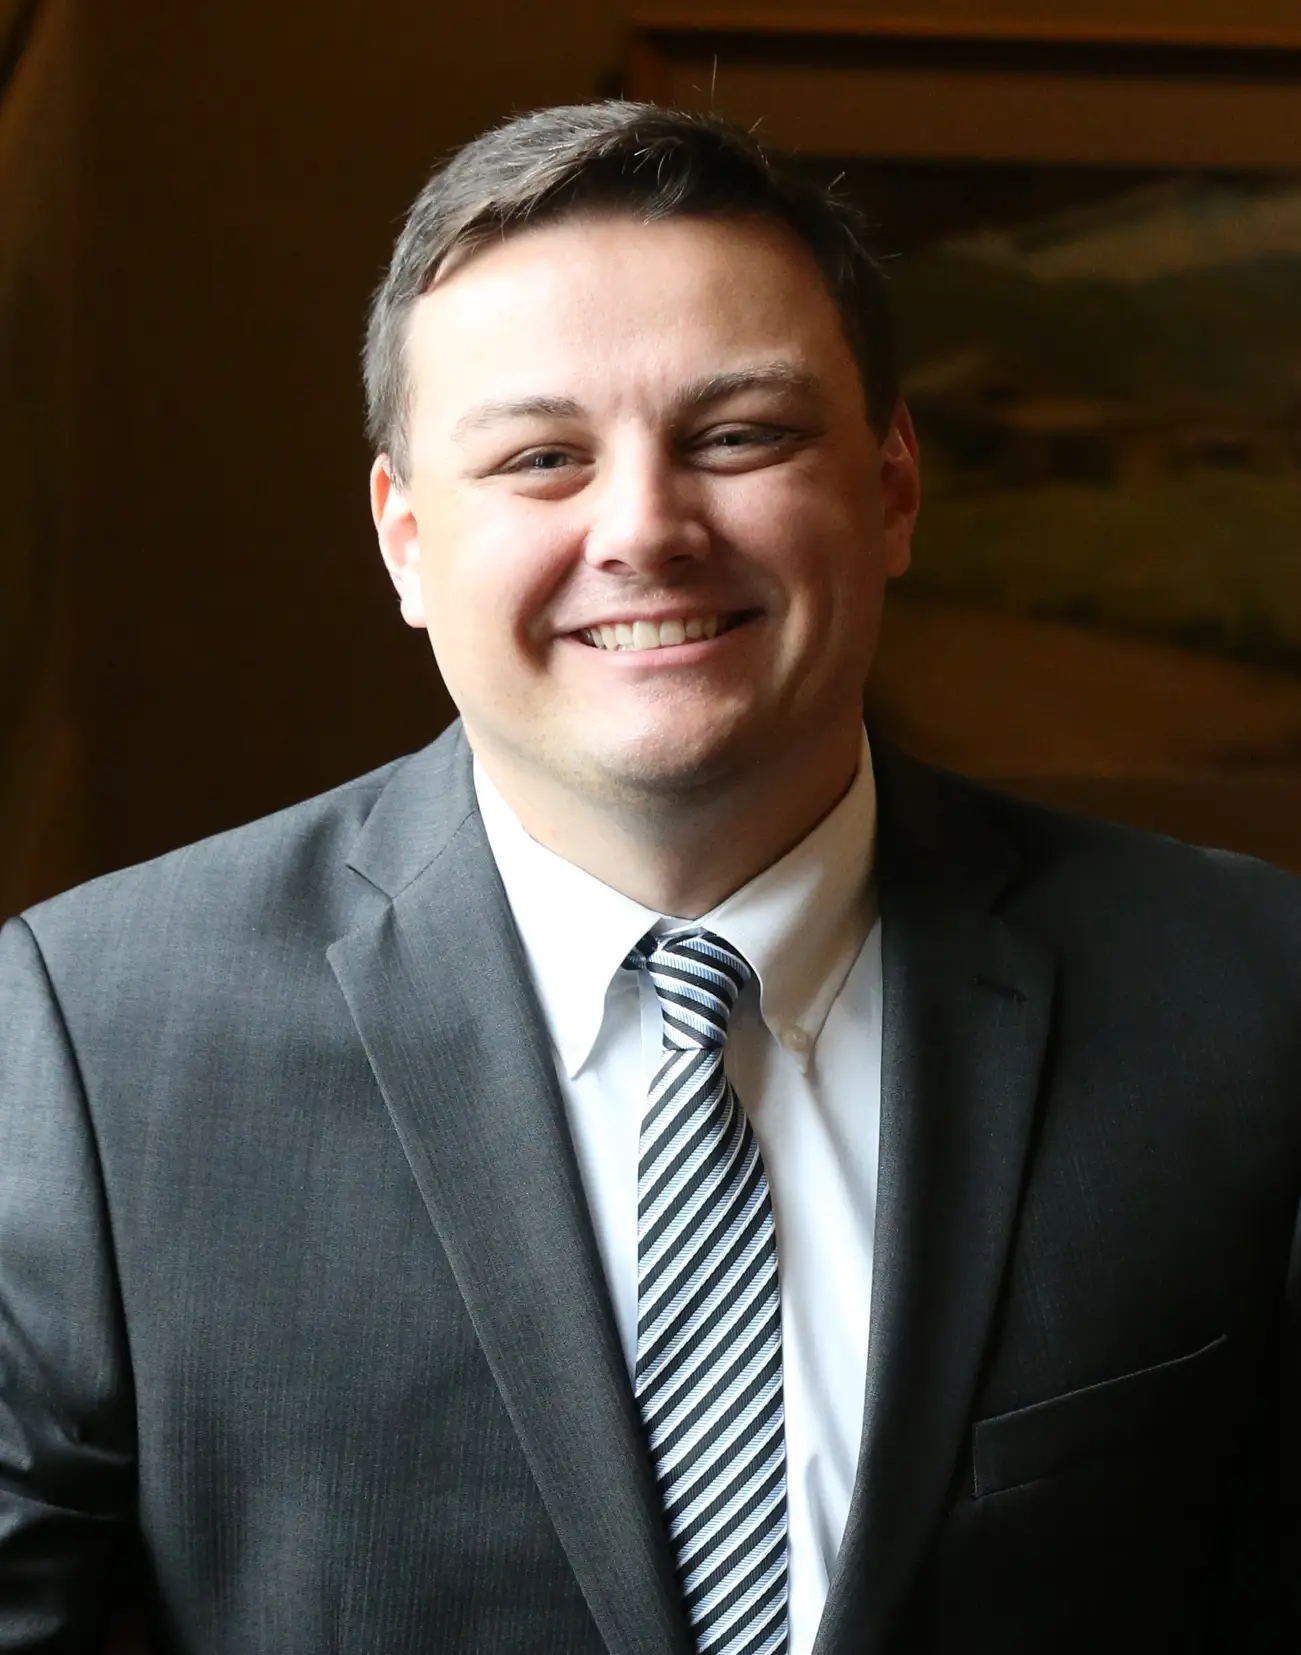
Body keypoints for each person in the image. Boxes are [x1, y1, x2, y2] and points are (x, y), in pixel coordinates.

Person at [1, 101, 1298, 1655]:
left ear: (893, 487)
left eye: (738, 434)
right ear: (405, 539)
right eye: (542, 457)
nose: (645, 531)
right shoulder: (92, 1043)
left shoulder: (1252, 996)